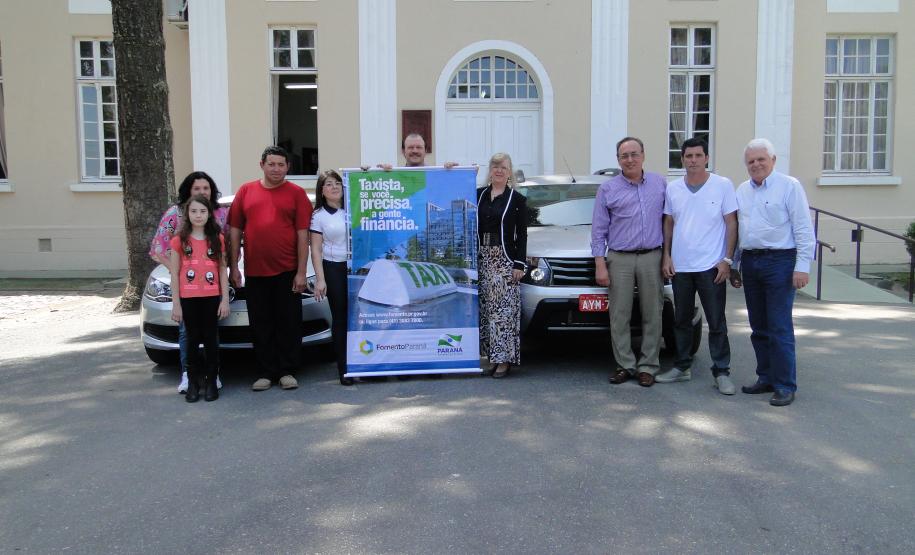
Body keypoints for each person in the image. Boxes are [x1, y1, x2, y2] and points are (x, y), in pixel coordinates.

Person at [730, 138, 814, 407]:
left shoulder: (789, 186)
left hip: (780, 261)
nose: (755, 165)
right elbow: (741, 231)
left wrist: (802, 267)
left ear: (773, 160)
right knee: (758, 326)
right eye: (751, 161)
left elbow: (803, 228)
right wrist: (735, 264)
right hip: (751, 261)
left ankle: (785, 384)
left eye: (760, 160)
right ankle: (765, 377)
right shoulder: (742, 190)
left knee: (779, 326)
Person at [227, 146, 313, 392]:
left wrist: (301, 272)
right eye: (272, 164)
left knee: (288, 323)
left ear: (288, 167)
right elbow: (234, 231)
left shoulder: (296, 194)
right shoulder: (246, 191)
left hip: (287, 271)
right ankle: (266, 372)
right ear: (262, 164)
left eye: (281, 165)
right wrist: (234, 267)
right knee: (261, 324)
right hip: (255, 271)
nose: (276, 169)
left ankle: (287, 371)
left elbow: (303, 235)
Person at [658, 137, 738, 395]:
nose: (693, 160)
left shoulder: (722, 185)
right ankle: (682, 367)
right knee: (681, 320)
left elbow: (731, 223)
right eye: (688, 156)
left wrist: (727, 260)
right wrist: (667, 256)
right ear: (682, 159)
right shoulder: (673, 189)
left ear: (706, 158)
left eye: (698, 155)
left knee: (716, 321)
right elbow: (669, 223)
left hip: (711, 267)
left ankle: (722, 371)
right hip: (681, 266)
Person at [591, 137, 666, 387]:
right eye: (625, 156)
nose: (630, 159)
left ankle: (648, 366)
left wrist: (668, 255)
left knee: (652, 313)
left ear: (643, 155)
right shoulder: (608, 189)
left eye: (634, 154)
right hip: (619, 258)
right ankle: (625, 364)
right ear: (618, 160)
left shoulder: (660, 184)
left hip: (652, 257)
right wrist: (600, 263)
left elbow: (670, 222)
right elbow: (599, 230)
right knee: (619, 314)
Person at [149, 171, 228, 394]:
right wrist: (179, 270)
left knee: (212, 334)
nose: (202, 192)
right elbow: (158, 248)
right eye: (197, 189)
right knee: (188, 334)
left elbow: (227, 245)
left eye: (206, 188)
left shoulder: (220, 213)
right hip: (188, 289)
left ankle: (213, 376)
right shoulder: (176, 214)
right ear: (188, 191)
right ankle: (188, 374)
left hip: (213, 286)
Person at [168, 195, 230, 402]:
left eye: (202, 211)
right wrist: (176, 304)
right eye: (194, 211)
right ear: (187, 213)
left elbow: (222, 270)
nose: (198, 215)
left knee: (211, 340)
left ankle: (211, 381)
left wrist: (224, 300)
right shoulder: (179, 241)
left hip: (211, 297)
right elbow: (175, 274)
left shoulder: (217, 238)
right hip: (188, 298)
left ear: (209, 214)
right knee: (192, 341)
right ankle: (193, 383)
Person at [477, 153, 527, 378]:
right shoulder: (479, 195)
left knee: (503, 313)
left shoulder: (517, 199)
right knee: (487, 310)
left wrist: (519, 263)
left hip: (504, 260)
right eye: (495, 166)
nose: (499, 170)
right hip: (483, 258)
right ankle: (492, 357)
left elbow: (522, 235)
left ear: (509, 172)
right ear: (490, 170)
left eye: (503, 167)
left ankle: (504, 360)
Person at [309, 170, 353, 386]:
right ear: (322, 191)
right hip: (333, 267)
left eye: (338, 183)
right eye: (329, 184)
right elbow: (316, 250)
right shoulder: (318, 216)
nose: (334, 187)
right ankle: (344, 368)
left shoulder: (353, 208)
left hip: (356, 268)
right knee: (341, 317)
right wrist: (320, 279)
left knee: (360, 315)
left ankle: (365, 363)